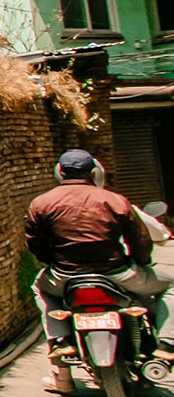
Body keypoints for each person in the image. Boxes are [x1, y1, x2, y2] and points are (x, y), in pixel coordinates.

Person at [27, 148, 174, 383]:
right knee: (170, 285)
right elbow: (139, 240)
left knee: (40, 288)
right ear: (93, 172)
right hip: (118, 274)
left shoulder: (41, 203)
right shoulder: (115, 200)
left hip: (66, 277)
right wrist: (142, 263)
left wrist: (52, 263)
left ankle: (60, 341)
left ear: (61, 172)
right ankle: (167, 344)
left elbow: (36, 243)